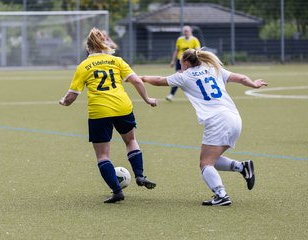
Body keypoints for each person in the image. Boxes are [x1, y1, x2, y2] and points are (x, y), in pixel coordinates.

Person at [141, 49, 267, 206]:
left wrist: (141, 78)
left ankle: (221, 195)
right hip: (234, 118)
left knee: (205, 163)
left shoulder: (185, 76)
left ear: (186, 63)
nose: (180, 64)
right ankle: (242, 167)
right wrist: (254, 84)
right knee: (211, 159)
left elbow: (159, 80)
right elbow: (241, 78)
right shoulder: (214, 69)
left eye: (181, 61)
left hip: (217, 121)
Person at [59, 27, 157, 204]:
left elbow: (72, 96)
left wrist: (63, 101)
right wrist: (147, 98)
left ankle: (117, 191)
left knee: (103, 155)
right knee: (131, 141)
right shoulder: (116, 60)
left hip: (100, 112)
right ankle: (140, 175)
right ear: (104, 45)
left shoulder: (83, 66)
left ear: (88, 48)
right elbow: (136, 80)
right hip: (123, 107)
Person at [167, 25, 201, 101]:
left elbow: (198, 51)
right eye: (184, 31)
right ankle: (171, 95)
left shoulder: (194, 40)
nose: (185, 32)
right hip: (180, 61)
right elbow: (176, 51)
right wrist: (173, 60)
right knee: (178, 77)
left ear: (190, 31)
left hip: (190, 62)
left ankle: (197, 94)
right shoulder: (180, 39)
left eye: (187, 31)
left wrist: (198, 60)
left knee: (192, 78)